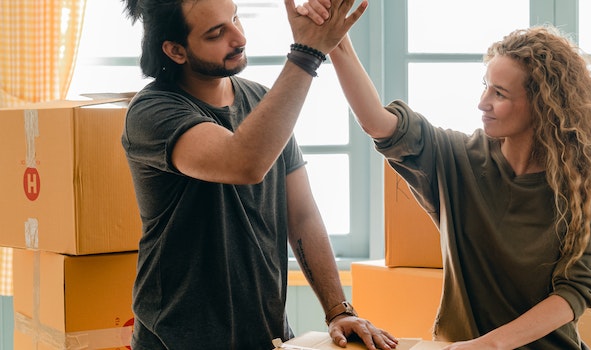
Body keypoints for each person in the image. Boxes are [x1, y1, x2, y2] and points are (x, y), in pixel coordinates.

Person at [298, 2, 591, 349]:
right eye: (485, 86)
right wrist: (337, 41)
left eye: (499, 93)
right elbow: (378, 123)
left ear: (542, 105)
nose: (482, 103)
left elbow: (576, 290)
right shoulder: (456, 158)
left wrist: (487, 346)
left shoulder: (578, 184)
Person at [119, 0, 398, 349]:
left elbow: (302, 214)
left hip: (268, 336)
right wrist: (307, 52)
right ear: (176, 50)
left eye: (235, 17)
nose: (239, 37)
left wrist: (338, 311)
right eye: (217, 33)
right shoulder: (152, 112)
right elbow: (244, 162)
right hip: (176, 341)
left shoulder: (261, 100)